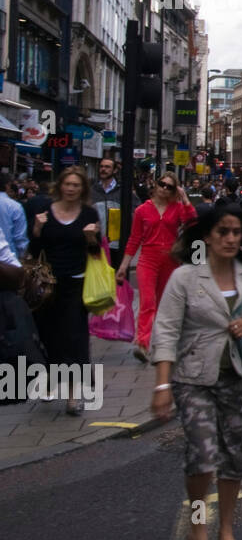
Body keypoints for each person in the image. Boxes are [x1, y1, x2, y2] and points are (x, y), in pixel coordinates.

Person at [151, 205, 242, 540]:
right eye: (222, 232)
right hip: (193, 379)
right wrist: (162, 385)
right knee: (202, 455)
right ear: (207, 236)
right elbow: (164, 332)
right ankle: (197, 529)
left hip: (238, 378)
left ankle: (225, 531)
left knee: (236, 457)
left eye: (236, 232)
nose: (230, 238)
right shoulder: (186, 278)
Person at [29, 167, 102, 415]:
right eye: (67, 184)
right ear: (60, 186)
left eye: (76, 185)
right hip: (48, 285)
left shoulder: (89, 214)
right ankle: (51, 378)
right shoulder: (45, 213)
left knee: (75, 337)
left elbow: (95, 253)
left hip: (76, 282)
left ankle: (73, 396)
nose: (71, 189)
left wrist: (91, 238)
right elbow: (34, 249)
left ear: (82, 189)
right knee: (49, 337)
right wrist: (37, 230)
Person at [117, 173, 198, 363]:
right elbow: (134, 239)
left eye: (170, 186)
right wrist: (124, 265)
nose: (164, 188)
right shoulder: (142, 210)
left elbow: (192, 224)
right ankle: (143, 344)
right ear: (156, 184)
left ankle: (162, 343)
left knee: (165, 305)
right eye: (162, 184)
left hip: (170, 260)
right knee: (147, 302)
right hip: (148, 260)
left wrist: (185, 199)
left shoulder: (177, 208)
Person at [88, 160, 120, 267]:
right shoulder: (92, 191)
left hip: (116, 245)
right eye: (101, 166)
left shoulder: (122, 191)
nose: (103, 169)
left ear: (114, 170)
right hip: (96, 243)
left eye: (107, 167)